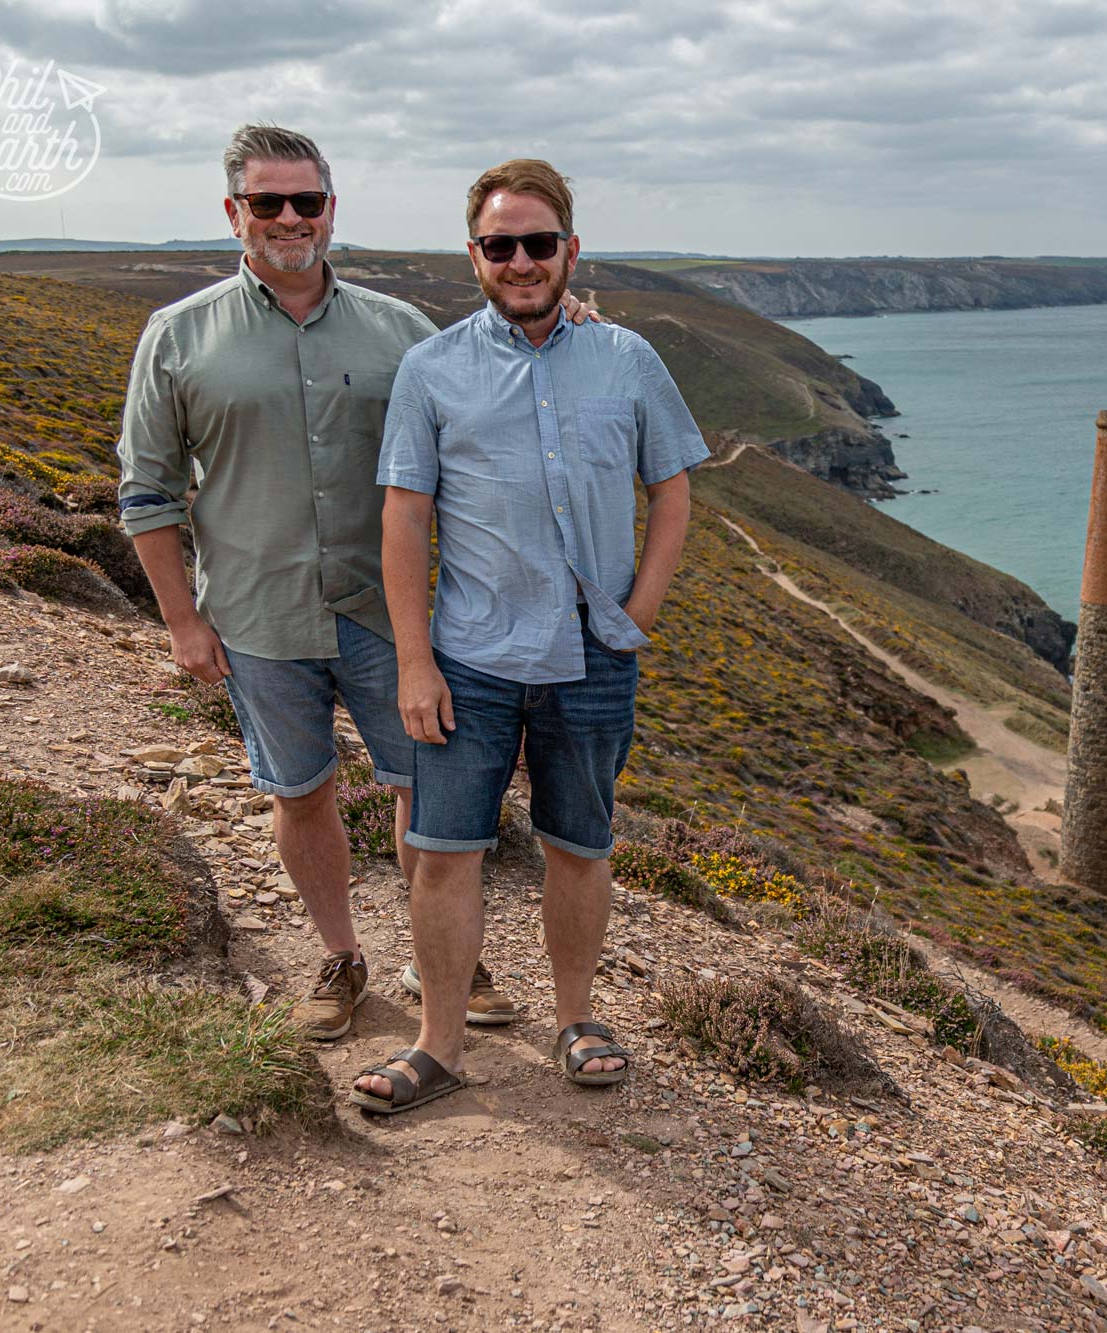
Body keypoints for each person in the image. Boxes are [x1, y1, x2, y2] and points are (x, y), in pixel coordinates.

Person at [117, 126, 591, 1040]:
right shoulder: (176, 337)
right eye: (268, 202)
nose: (289, 218)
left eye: (307, 201)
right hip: (258, 615)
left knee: (427, 789)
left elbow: (499, 384)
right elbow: (147, 494)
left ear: (332, 209)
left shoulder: (401, 332)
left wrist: (574, 323)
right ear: (235, 214)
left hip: (393, 616)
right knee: (299, 790)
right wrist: (182, 622)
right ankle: (341, 954)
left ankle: (440, 954)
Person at [351, 159, 706, 1113]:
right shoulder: (431, 370)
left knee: (579, 843)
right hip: (469, 653)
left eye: (537, 243)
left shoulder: (628, 359)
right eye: (499, 245)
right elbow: (403, 520)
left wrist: (642, 612)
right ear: (474, 255)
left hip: (593, 653)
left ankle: (577, 1017)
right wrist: (415, 659)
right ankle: (439, 1044)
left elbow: (672, 489)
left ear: (570, 250)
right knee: (443, 847)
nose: (520, 260)